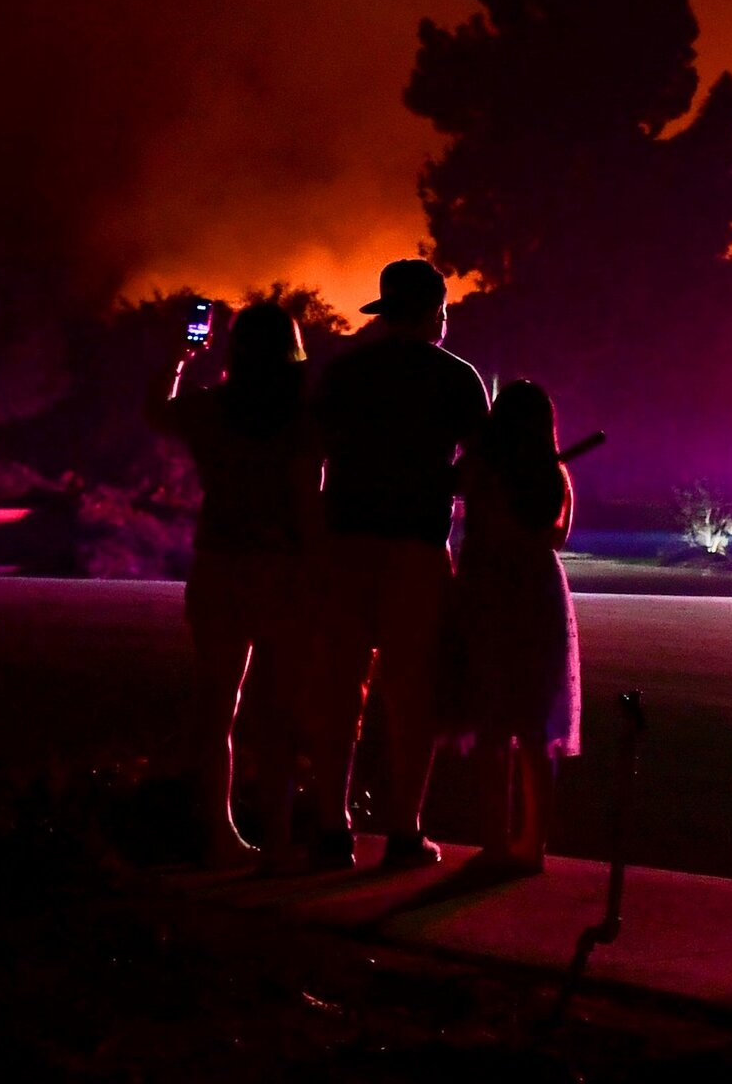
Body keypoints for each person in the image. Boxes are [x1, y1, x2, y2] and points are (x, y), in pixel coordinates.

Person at [304, 258, 490, 867]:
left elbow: (317, 452)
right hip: (415, 546)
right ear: (434, 310)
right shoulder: (458, 379)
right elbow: (479, 467)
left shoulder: (347, 373)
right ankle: (405, 830)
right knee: (413, 693)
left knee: (337, 689)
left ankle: (332, 824)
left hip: (346, 543)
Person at [146, 300, 324, 870]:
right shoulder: (303, 418)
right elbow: (306, 502)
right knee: (280, 711)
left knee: (217, 705)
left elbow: (157, 411)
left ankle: (220, 832)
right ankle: (276, 836)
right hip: (283, 569)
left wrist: (178, 358)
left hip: (220, 563)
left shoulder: (210, 410)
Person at [441, 379, 581, 873]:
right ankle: (533, 844)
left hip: (488, 594)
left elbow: (451, 490)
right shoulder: (555, 474)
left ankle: (495, 841)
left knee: (492, 726)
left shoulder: (480, 468)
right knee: (534, 726)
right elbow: (557, 537)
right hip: (539, 595)